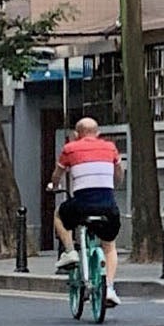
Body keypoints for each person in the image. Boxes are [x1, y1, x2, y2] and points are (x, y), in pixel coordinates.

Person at [49, 116, 123, 309]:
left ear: (76, 134)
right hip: (108, 206)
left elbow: (57, 175)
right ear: (98, 133)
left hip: (82, 205)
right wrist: (114, 184)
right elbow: (119, 174)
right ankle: (109, 288)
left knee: (59, 215)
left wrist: (53, 185)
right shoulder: (110, 148)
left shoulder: (70, 149)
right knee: (109, 246)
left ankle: (70, 252)